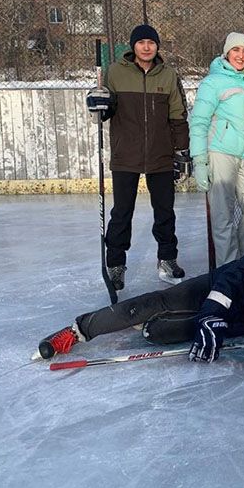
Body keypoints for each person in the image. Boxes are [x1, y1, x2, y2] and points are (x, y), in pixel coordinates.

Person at [34, 212, 244, 361]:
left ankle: (142, 327)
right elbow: (234, 278)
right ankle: (77, 330)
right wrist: (211, 313)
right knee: (153, 303)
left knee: (158, 333)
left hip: (243, 320)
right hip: (216, 289)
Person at [85, 23, 190, 290]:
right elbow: (105, 109)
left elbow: (178, 115)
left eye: (151, 43)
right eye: (141, 42)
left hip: (160, 154)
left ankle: (167, 259)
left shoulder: (168, 75)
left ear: (157, 46)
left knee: (165, 212)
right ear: (133, 46)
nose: (146, 47)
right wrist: (96, 102)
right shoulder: (115, 73)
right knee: (122, 213)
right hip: (126, 154)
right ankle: (116, 264)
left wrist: (182, 151)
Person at [189, 32, 244, 267]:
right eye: (236, 50)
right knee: (223, 216)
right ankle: (228, 271)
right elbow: (198, 122)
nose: (240, 56)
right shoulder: (213, 82)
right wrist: (199, 161)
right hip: (220, 153)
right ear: (226, 53)